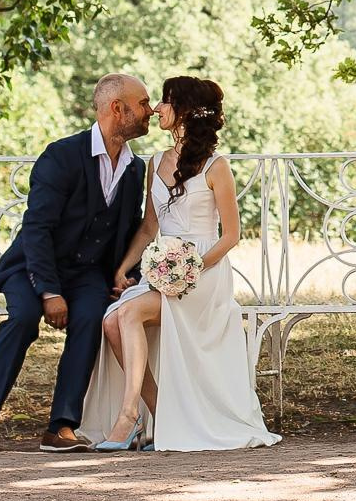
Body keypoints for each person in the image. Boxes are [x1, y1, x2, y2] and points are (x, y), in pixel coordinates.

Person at [85, 74, 280, 452]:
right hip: (164, 268)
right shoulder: (155, 162)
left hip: (203, 274)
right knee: (111, 322)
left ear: (186, 111)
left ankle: (128, 417)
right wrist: (124, 268)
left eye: (165, 101)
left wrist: (191, 268)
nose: (157, 108)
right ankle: (160, 412)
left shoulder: (216, 167)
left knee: (128, 315)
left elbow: (231, 235)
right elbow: (149, 227)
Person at [0, 73, 152, 452]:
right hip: (33, 266)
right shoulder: (61, 155)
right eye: (143, 103)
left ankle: (61, 426)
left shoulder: (135, 168)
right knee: (22, 318)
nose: (150, 111)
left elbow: (129, 228)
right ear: (117, 109)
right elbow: (37, 228)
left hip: (87, 274)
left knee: (91, 317)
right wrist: (49, 292)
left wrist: (125, 275)